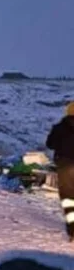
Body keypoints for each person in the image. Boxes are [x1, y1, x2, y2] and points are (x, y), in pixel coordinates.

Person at [46, 102, 74, 240]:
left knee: (69, 199)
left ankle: (72, 230)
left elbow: (49, 144)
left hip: (65, 167)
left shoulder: (58, 128)